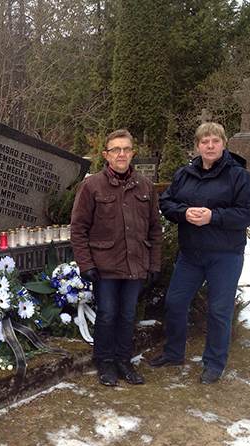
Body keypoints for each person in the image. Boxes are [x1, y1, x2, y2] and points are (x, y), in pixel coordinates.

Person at [148, 122, 250, 384]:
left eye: (215, 141)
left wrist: (214, 216)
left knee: (219, 310)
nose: (210, 146)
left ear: (224, 144)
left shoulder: (237, 175)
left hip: (225, 254)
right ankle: (174, 352)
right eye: (205, 141)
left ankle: (214, 363)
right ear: (197, 146)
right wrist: (184, 213)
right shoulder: (185, 174)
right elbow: (166, 202)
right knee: (175, 303)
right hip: (190, 255)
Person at [70, 129, 162, 387]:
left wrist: (153, 264)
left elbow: (154, 228)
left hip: (135, 263)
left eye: (126, 149)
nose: (121, 154)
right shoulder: (91, 186)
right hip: (104, 266)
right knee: (108, 313)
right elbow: (78, 228)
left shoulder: (145, 186)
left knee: (127, 313)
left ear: (132, 153)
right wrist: (86, 264)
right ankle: (105, 361)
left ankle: (124, 360)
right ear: (106, 155)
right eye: (115, 150)